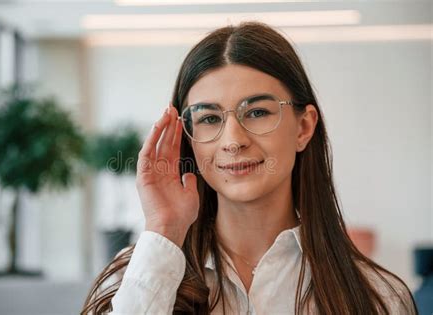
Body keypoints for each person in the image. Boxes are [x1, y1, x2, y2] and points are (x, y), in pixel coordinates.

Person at [81, 21, 418, 314]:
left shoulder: (380, 297)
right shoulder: (134, 276)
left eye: (257, 112)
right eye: (210, 118)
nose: (233, 141)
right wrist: (165, 229)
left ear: (304, 127)